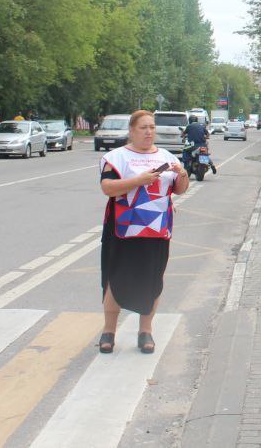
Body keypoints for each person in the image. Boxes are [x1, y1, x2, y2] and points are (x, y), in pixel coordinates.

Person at [98, 109, 188, 354]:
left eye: (152, 127)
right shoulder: (116, 157)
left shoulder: (167, 156)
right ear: (131, 131)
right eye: (143, 128)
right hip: (122, 230)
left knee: (152, 279)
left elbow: (179, 189)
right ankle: (109, 331)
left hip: (156, 230)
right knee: (115, 278)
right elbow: (107, 188)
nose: (149, 132)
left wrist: (182, 174)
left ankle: (145, 331)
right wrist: (139, 180)